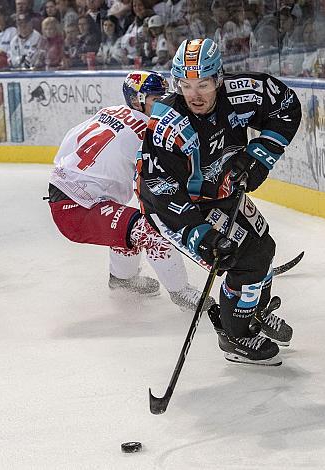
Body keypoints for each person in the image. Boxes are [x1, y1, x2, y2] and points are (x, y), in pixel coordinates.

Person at [136, 38, 302, 365]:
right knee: (247, 258)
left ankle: (252, 312)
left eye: (203, 84)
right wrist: (202, 236)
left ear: (219, 78)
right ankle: (235, 334)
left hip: (221, 191)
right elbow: (160, 189)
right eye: (185, 84)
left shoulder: (244, 92)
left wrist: (259, 156)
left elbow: (285, 106)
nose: (194, 94)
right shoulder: (169, 123)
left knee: (263, 247)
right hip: (178, 207)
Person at [47, 70, 213, 312]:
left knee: (129, 226)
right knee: (151, 233)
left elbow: (66, 147)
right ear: (138, 100)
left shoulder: (108, 112)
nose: (163, 104)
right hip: (78, 208)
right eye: (156, 100)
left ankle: (122, 280)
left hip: (65, 192)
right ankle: (181, 293)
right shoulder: (153, 130)